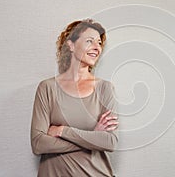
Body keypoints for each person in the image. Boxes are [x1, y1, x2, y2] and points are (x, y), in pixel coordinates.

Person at [30, 18, 119, 177]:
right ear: (71, 45)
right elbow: (38, 144)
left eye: (99, 43)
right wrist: (91, 137)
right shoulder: (47, 88)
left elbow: (109, 142)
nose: (96, 47)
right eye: (89, 41)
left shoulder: (105, 88)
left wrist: (63, 131)